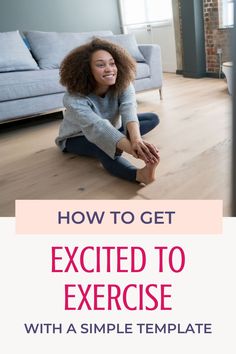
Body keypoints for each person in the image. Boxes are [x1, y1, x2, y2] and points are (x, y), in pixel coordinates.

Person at [55, 38, 160, 184]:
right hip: (76, 137)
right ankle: (139, 175)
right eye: (100, 65)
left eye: (112, 63)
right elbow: (99, 128)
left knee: (153, 118)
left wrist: (136, 139)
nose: (109, 69)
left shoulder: (123, 83)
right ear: (86, 70)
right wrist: (137, 153)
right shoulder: (73, 98)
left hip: (112, 126)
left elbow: (128, 108)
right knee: (103, 146)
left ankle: (119, 140)